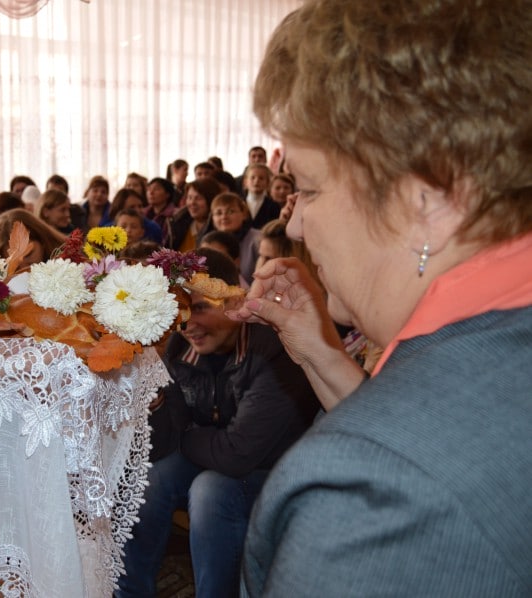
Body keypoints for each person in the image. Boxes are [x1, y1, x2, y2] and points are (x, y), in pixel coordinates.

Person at [228, 1, 532, 595]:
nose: (295, 225)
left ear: (428, 200)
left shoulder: (375, 494)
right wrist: (320, 353)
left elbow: (419, 451)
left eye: (310, 189)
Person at [116, 249, 318, 598]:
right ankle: (130, 593)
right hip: (212, 457)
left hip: (278, 471)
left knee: (211, 491)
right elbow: (163, 442)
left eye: (199, 308)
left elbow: (237, 455)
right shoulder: (178, 346)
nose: (186, 324)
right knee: (149, 476)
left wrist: (186, 433)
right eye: (179, 310)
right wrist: (159, 403)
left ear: (232, 300)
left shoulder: (273, 348)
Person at [0, 208, 65, 269]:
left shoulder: (69, 262)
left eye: (28, 254)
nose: (25, 269)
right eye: (13, 265)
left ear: (43, 240)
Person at [210, 191, 261, 286]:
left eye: (231, 211)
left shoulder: (257, 239)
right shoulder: (210, 243)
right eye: (219, 213)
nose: (224, 217)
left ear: (244, 214)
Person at [166, 177, 221, 252]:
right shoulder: (178, 222)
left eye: (198, 198)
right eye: (189, 198)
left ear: (211, 200)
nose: (192, 203)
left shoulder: (218, 228)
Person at [242, 163, 279, 229]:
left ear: (268, 183)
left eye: (261, 178)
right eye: (253, 178)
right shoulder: (238, 203)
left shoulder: (274, 206)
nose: (256, 181)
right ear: (245, 182)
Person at [144, 176, 178, 244]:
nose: (151, 192)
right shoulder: (143, 213)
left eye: (156, 189)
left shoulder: (175, 215)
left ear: (167, 194)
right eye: (149, 189)